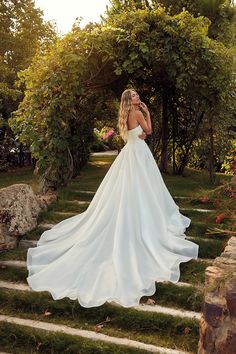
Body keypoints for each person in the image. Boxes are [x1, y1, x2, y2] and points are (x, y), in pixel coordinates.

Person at [27, 88, 199, 308]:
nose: (138, 98)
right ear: (129, 100)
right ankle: (145, 218)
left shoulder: (126, 114)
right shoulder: (136, 113)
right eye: (135, 96)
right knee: (143, 189)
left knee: (134, 190)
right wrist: (147, 113)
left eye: (138, 96)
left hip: (131, 153)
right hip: (138, 155)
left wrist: (143, 125)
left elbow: (141, 134)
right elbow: (149, 131)